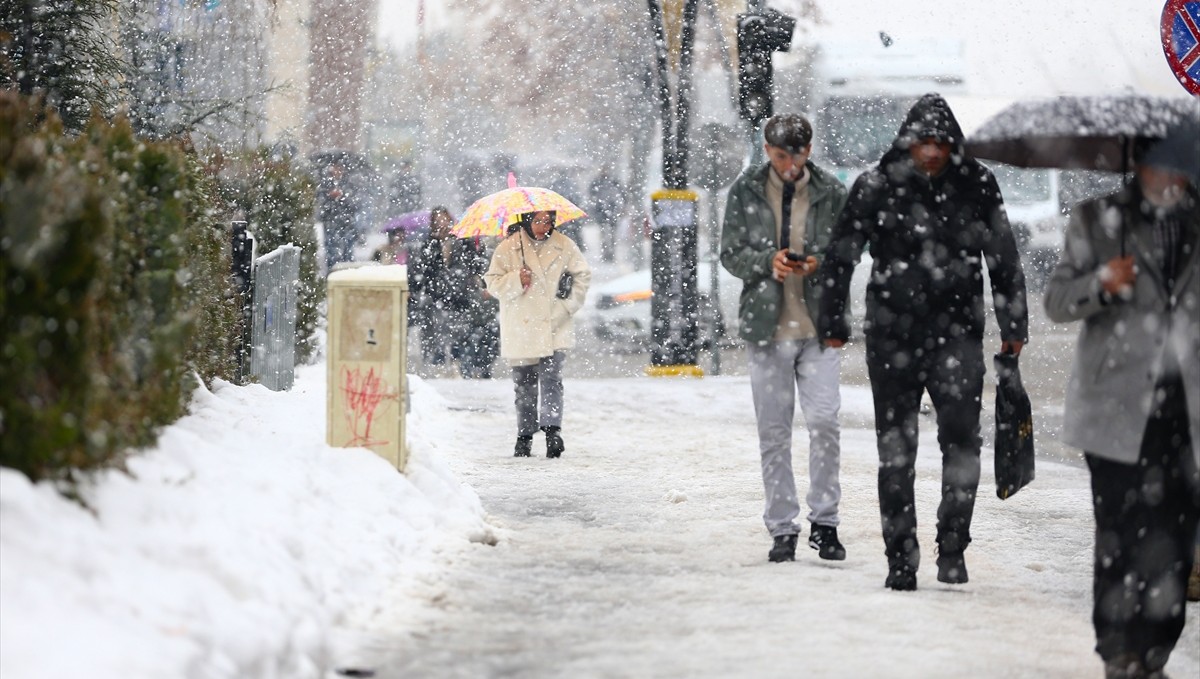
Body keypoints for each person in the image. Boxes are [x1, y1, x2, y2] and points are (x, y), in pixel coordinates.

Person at [817, 93, 1029, 590]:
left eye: (941, 142)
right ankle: (900, 558)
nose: (932, 152)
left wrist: (1013, 327)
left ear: (953, 143)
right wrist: (834, 321)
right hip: (892, 335)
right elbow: (840, 256)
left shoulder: (977, 185)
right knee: (897, 452)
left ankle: (953, 545)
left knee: (962, 444)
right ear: (908, 142)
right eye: (924, 142)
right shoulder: (876, 185)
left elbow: (1003, 258)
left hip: (957, 334)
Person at [1044, 123, 1199, 679]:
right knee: (1120, 530)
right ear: (1139, 163)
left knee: (1177, 532)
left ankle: (1157, 648)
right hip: (1114, 406)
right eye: (1163, 164)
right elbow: (1057, 302)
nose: (1173, 177)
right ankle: (1119, 649)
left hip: (1187, 409)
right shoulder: (1095, 218)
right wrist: (1102, 282)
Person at [719, 113, 850, 563]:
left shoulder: (832, 191)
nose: (789, 166)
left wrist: (817, 262)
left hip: (819, 327)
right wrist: (766, 263)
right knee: (773, 432)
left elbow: (850, 248)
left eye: (796, 156)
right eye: (779, 157)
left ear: (809, 151)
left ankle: (825, 521)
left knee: (825, 423)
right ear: (767, 149)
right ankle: (781, 527)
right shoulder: (745, 190)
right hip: (767, 328)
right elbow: (730, 253)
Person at [484, 210, 591, 458]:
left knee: (552, 378)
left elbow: (582, 276)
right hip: (522, 326)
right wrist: (515, 279)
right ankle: (525, 435)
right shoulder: (508, 248)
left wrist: (568, 306)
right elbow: (492, 282)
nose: (544, 226)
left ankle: (553, 431)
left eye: (548, 221)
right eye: (538, 221)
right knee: (524, 384)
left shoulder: (564, 244)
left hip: (555, 323)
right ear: (526, 221)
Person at [409, 207, 455, 369]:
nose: (441, 222)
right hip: (433, 291)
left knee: (452, 328)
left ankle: (453, 360)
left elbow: (463, 263)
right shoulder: (428, 242)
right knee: (431, 327)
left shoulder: (458, 239)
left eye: (444, 218)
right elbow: (424, 266)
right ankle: (434, 359)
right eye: (438, 219)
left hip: (454, 291)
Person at [448, 235, 500, 379]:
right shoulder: (459, 249)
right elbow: (456, 273)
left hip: (486, 303)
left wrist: (489, 287)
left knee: (490, 336)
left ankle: (483, 367)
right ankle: (467, 369)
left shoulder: (489, 251)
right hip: (465, 302)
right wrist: (472, 285)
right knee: (467, 338)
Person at [318, 163, 359, 272]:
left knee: (347, 250)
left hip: (346, 222)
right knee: (331, 250)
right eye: (335, 168)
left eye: (339, 168)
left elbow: (354, 204)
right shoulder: (324, 184)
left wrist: (343, 197)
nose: (337, 171)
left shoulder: (349, 184)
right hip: (330, 221)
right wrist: (329, 196)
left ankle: (348, 273)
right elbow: (321, 203)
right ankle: (332, 273)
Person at [588, 170, 625, 263]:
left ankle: (609, 253)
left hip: (608, 211)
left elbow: (591, 195)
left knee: (608, 233)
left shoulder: (601, 182)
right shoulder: (611, 182)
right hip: (607, 211)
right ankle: (607, 253)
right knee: (607, 233)